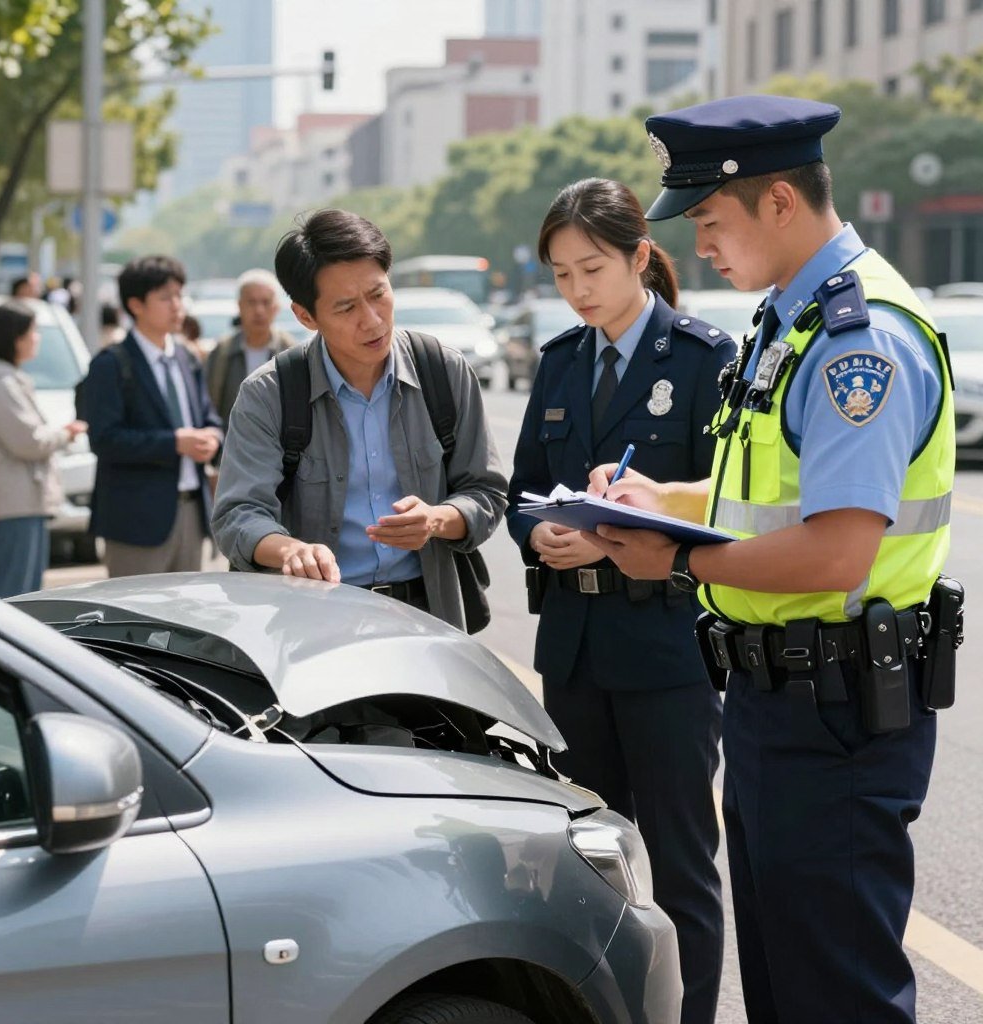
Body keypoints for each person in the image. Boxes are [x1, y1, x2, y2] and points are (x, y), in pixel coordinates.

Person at [587, 96, 957, 1024]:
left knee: (834, 994)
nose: (700, 246)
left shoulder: (854, 341)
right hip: (776, 708)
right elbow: (770, 501)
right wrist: (657, 503)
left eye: (710, 221)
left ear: (780, 202)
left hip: (833, 721)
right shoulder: (785, 323)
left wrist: (675, 562)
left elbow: (837, 549)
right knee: (791, 987)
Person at [504, 178, 734, 1024]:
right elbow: (523, 489)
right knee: (586, 862)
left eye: (592, 267)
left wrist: (620, 535)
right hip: (574, 647)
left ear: (640, 256)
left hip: (666, 644)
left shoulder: (705, 359)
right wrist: (541, 535)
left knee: (679, 865)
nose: (578, 288)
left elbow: (729, 507)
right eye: (562, 274)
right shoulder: (562, 360)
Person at [212, 209, 507, 629]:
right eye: (347, 307)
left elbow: (487, 491)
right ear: (305, 316)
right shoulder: (270, 393)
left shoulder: (444, 371)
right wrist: (289, 550)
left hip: (427, 613)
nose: (371, 320)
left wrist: (437, 519)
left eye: (378, 294)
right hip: (311, 620)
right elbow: (237, 513)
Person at [77, 255, 223, 578]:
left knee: (185, 617)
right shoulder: (111, 364)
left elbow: (209, 418)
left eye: (179, 295)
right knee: (135, 621)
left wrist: (212, 437)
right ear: (136, 305)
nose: (177, 306)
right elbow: (104, 439)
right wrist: (174, 443)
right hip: (136, 520)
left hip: (191, 511)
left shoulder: (187, 358)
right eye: (165, 297)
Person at [0, 301, 86, 597]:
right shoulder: (1, 384)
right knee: (15, 592)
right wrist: (65, 434)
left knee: (20, 587)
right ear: (16, 338)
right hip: (15, 501)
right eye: (34, 332)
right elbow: (29, 442)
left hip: (15, 499)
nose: (37, 338)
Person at [205, 268, 294, 426]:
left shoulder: (291, 352)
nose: (259, 310)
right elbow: (209, 407)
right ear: (239, 306)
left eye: (265, 302)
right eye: (251, 302)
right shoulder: (222, 353)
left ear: (276, 308)